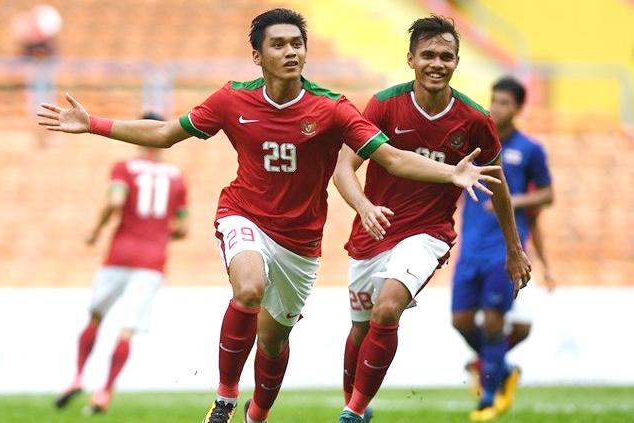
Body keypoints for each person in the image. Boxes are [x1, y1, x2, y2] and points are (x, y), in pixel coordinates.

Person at [37, 9, 500, 423]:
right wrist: (93, 123)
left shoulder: (332, 108)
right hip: (244, 214)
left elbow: (393, 158)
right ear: (257, 55)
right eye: (278, 44)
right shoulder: (232, 100)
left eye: (297, 43)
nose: (290, 51)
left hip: (300, 242)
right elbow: (164, 132)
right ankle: (223, 399)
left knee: (274, 342)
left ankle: (255, 415)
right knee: (249, 287)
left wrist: (449, 173)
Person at [332, 17, 532, 423]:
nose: (436, 63)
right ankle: (358, 405)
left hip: (428, 233)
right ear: (411, 59)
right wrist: (364, 207)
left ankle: (352, 413)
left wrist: (515, 249)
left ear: (457, 61)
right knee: (359, 330)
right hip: (375, 229)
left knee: (387, 310)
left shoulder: (475, 121)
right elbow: (342, 169)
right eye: (428, 55)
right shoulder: (385, 104)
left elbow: (500, 188)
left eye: (446, 56)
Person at [53, 112, 189, 414]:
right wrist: (157, 231)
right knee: (127, 329)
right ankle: (104, 391)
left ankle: (77, 377)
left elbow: (116, 201)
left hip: (120, 253)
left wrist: (96, 230)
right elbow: (182, 228)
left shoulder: (124, 168)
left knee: (96, 316)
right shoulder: (177, 178)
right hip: (152, 261)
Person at [452, 77, 553, 420]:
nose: (496, 108)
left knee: (495, 321)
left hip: (504, 249)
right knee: (461, 320)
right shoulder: (476, 145)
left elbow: (547, 195)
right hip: (470, 248)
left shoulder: (529, 149)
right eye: (493, 101)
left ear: (519, 108)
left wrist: (510, 200)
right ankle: (501, 368)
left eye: (505, 103)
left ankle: (489, 398)